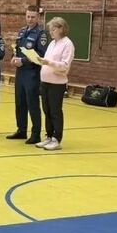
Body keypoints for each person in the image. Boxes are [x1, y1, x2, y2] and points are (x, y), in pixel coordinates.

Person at [6, 4, 48, 144]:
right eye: (28, 16)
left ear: (38, 17)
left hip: (32, 73)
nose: (30, 19)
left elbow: (40, 55)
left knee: (32, 103)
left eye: (33, 17)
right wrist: (14, 57)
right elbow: (17, 49)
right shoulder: (22, 31)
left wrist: (23, 61)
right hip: (20, 72)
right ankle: (21, 130)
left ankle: (35, 134)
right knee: (20, 102)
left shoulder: (41, 34)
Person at [37, 17, 74, 151]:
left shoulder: (67, 44)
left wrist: (48, 62)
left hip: (57, 83)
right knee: (46, 110)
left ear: (61, 29)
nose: (51, 32)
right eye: (50, 29)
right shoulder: (52, 43)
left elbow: (64, 65)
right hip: (45, 82)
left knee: (55, 111)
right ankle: (49, 136)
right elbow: (47, 60)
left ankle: (56, 139)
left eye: (53, 29)